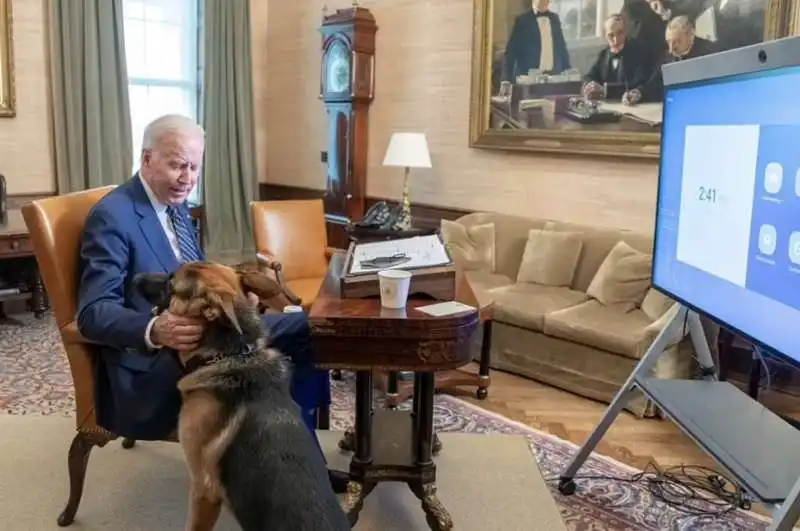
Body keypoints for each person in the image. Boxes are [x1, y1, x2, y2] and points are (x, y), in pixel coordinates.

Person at [76, 114, 343, 487]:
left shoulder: (176, 204)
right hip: (150, 366)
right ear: (146, 158)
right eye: (177, 165)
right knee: (293, 338)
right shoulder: (112, 217)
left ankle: (295, 447)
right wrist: (155, 329)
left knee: (308, 329)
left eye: (194, 167)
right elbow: (92, 313)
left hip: (207, 340)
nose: (187, 178)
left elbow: (193, 277)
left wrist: (234, 291)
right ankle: (298, 463)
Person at [582, 14, 652, 105]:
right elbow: (589, 76)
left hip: (632, 107)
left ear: (626, 32)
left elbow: (639, 83)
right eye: (611, 35)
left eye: (619, 33)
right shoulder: (603, 55)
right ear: (604, 37)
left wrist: (606, 90)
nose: (616, 40)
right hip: (607, 107)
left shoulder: (639, 53)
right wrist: (589, 85)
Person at [502, 0, 571, 83]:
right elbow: (511, 52)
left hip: (554, 78)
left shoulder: (554, 19)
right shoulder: (523, 21)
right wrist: (506, 79)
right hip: (529, 79)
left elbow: (561, 48)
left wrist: (569, 73)